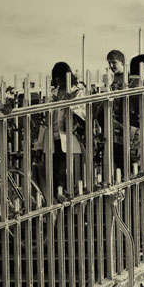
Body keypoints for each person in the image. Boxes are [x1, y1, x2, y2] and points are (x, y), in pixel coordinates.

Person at [34, 62, 87, 196]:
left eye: (60, 77)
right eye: (55, 77)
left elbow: (84, 113)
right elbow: (44, 121)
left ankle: (64, 198)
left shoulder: (77, 91)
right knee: (53, 173)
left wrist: (70, 103)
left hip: (69, 138)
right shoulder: (52, 94)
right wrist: (39, 145)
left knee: (65, 173)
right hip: (52, 138)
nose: (58, 80)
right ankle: (58, 199)